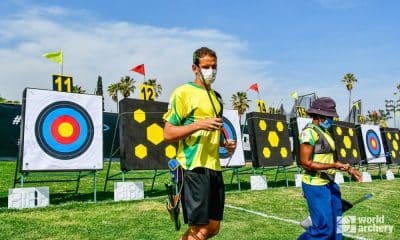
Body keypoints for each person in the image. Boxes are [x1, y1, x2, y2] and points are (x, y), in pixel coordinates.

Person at [163, 46, 236, 240]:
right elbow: (168, 133)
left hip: (214, 167)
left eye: (214, 66)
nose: (211, 71)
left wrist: (225, 144)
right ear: (195, 68)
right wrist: (198, 124)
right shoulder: (183, 93)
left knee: (212, 228)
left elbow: (214, 133)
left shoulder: (216, 98)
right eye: (206, 66)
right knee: (200, 230)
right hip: (193, 167)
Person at [298, 97, 362, 240]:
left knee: (337, 224)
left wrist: (349, 169)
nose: (331, 119)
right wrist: (334, 165)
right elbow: (305, 163)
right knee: (323, 229)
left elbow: (328, 159)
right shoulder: (309, 132)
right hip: (315, 185)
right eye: (329, 116)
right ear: (319, 116)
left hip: (329, 183)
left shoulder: (325, 132)